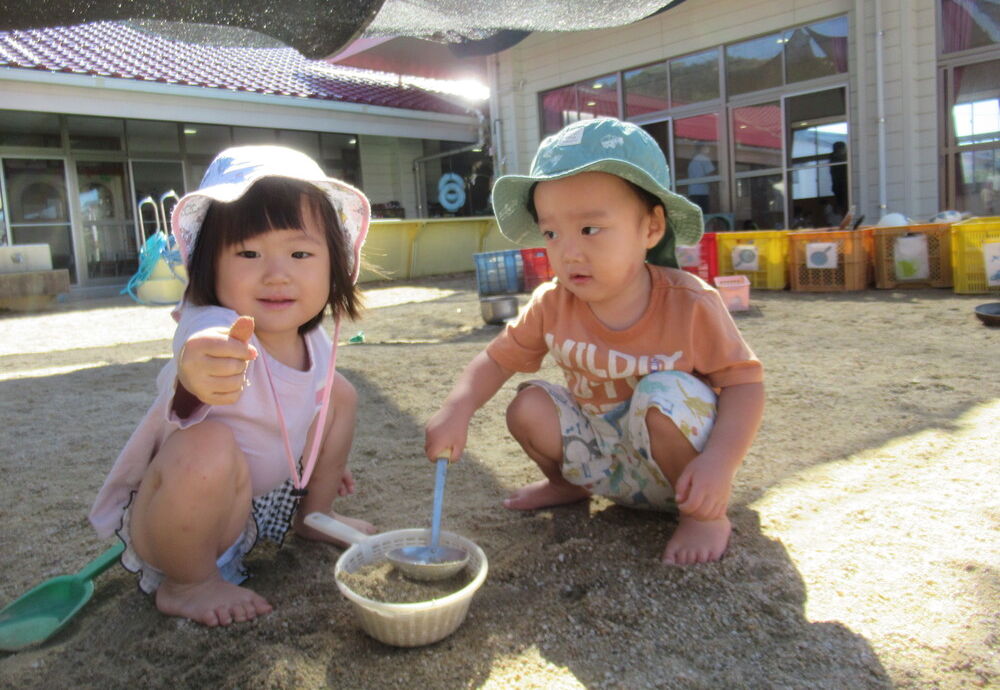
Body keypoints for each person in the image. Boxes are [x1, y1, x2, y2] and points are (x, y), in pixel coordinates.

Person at [425, 118, 764, 565]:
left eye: (589, 229)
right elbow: (495, 361)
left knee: (661, 394)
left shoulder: (690, 303)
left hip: (687, 478)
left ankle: (704, 519)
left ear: (651, 228)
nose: (569, 252)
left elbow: (745, 384)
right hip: (605, 464)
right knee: (528, 407)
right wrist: (456, 410)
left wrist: (719, 463)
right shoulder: (553, 302)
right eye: (551, 233)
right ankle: (568, 485)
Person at [90, 146, 375, 627]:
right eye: (248, 252)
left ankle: (314, 513)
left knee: (341, 393)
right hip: (177, 525)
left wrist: (314, 457)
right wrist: (199, 364)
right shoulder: (214, 323)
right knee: (208, 443)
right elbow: (195, 345)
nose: (276, 273)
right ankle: (188, 584)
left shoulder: (316, 341)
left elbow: (296, 410)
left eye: (300, 252)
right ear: (209, 265)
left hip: (253, 508)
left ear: (334, 264)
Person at [685, 144, 715, 213]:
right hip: (703, 193)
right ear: (702, 148)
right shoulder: (704, 159)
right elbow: (710, 176)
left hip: (692, 193)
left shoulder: (692, 161)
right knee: (705, 216)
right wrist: (714, 190)